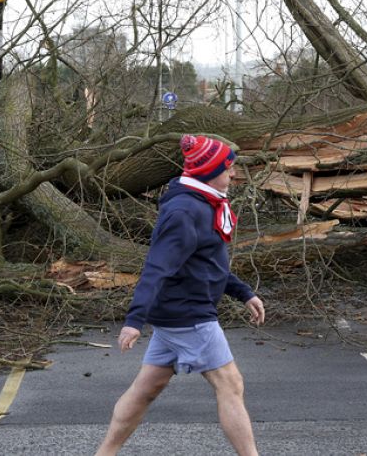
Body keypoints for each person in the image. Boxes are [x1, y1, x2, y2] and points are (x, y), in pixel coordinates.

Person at [95, 134, 265, 456]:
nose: (233, 175)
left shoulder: (202, 203)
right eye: (228, 168)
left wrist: (243, 293)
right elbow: (157, 267)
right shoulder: (186, 212)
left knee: (146, 389)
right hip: (189, 315)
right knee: (231, 385)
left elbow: (205, 264)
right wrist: (134, 321)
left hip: (177, 312)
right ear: (208, 171)